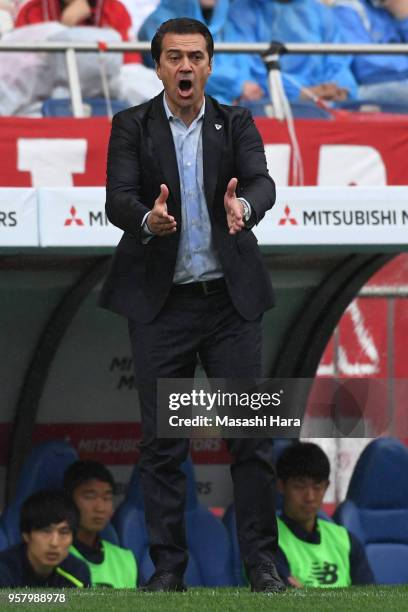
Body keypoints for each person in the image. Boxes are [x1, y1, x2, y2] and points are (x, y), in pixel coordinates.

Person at [100, 17, 285, 593]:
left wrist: (245, 210)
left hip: (230, 304)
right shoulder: (130, 124)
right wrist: (147, 221)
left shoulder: (237, 122)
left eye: (195, 57)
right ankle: (168, 571)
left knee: (250, 438)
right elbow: (117, 200)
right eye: (174, 57)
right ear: (158, 65)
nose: (185, 67)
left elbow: (262, 182)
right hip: (164, 308)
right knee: (162, 446)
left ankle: (263, 568)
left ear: (210, 65)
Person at [274, 442, 375, 587]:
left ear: (326, 487)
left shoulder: (345, 541)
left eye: (317, 487)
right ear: (281, 486)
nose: (310, 497)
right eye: (299, 486)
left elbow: (371, 601)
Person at [227, 0, 358, 103]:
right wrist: (303, 93)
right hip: (269, 105)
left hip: (326, 102)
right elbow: (249, 69)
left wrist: (340, 90)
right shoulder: (242, 11)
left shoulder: (320, 12)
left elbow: (339, 63)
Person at [138, 0, 256, 104]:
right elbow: (177, 72)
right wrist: (236, 88)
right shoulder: (157, 23)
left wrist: (243, 87)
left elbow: (242, 64)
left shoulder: (223, 24)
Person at [63, 460, 138, 588]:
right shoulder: (53, 555)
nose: (100, 508)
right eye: (89, 497)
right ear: (69, 501)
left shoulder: (125, 559)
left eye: (106, 498)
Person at [0, 490, 91, 588]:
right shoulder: (4, 571)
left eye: (64, 532)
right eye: (45, 531)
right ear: (26, 535)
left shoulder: (78, 571)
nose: (54, 543)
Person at [332, 0, 408, 105]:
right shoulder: (346, 9)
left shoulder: (395, 6)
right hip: (371, 85)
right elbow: (366, 66)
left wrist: (404, 18)